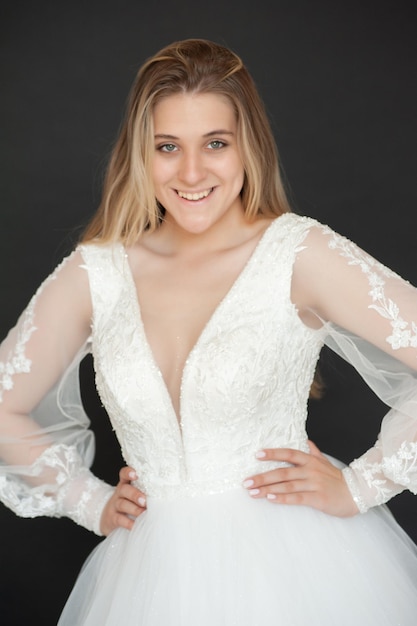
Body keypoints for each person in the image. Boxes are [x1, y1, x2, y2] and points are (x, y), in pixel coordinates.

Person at [1, 38, 417, 625]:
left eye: (215, 144)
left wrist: (361, 486)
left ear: (249, 147)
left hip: (298, 572)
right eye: (167, 147)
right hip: (146, 583)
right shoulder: (99, 271)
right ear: (139, 156)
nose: (191, 172)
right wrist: (90, 501)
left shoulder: (297, 253)